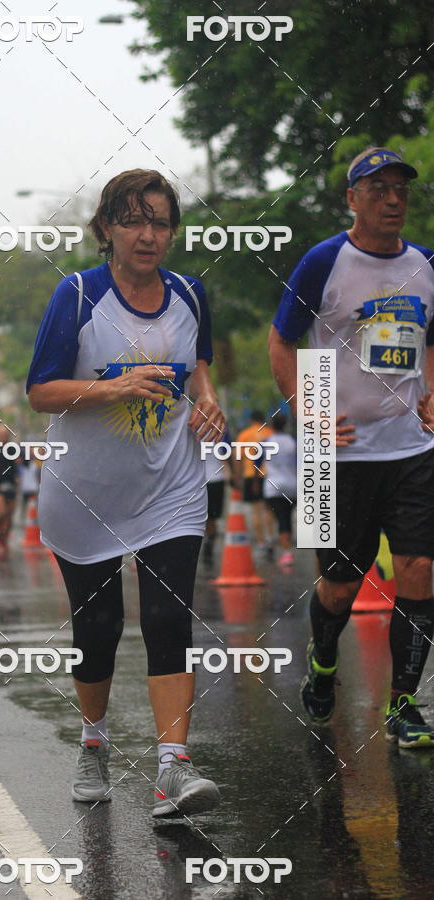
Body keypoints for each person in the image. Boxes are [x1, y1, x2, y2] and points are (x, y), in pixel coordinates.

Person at [27, 169, 225, 816]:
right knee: (100, 625)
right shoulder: (79, 295)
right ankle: (94, 741)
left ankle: (173, 768)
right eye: (134, 221)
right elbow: (40, 392)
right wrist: (113, 387)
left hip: (170, 485)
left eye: (160, 223)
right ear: (107, 227)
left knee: (169, 616)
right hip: (85, 493)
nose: (148, 235)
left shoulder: (190, 293)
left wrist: (208, 399)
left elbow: (199, 364)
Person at [269, 147, 434, 747]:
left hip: (412, 448)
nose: (393, 200)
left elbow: (431, 341)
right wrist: (306, 411)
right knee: (340, 585)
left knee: (419, 568)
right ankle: (322, 658)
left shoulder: (426, 263)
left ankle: (404, 705)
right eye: (378, 189)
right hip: (333, 455)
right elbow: (282, 343)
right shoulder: (323, 261)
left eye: (400, 190)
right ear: (352, 199)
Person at [235, 410, 274, 552]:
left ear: (251, 420)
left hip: (250, 475)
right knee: (268, 509)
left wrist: (237, 477)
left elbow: (238, 458)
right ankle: (270, 537)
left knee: (256, 510)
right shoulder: (270, 433)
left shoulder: (244, 435)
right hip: (268, 475)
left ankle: (261, 542)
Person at [262, 413, 297, 567]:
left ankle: (284, 549)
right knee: (286, 517)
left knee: (278, 516)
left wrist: (256, 481)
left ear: (271, 426)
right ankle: (283, 545)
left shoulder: (266, 442)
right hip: (292, 486)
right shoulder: (293, 442)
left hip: (273, 486)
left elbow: (257, 463)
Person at [202, 426, 235, 563]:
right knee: (212, 517)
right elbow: (228, 453)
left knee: (202, 516)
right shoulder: (220, 428)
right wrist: (231, 473)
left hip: (198, 480)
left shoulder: (190, 426)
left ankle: (206, 541)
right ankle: (209, 541)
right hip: (216, 479)